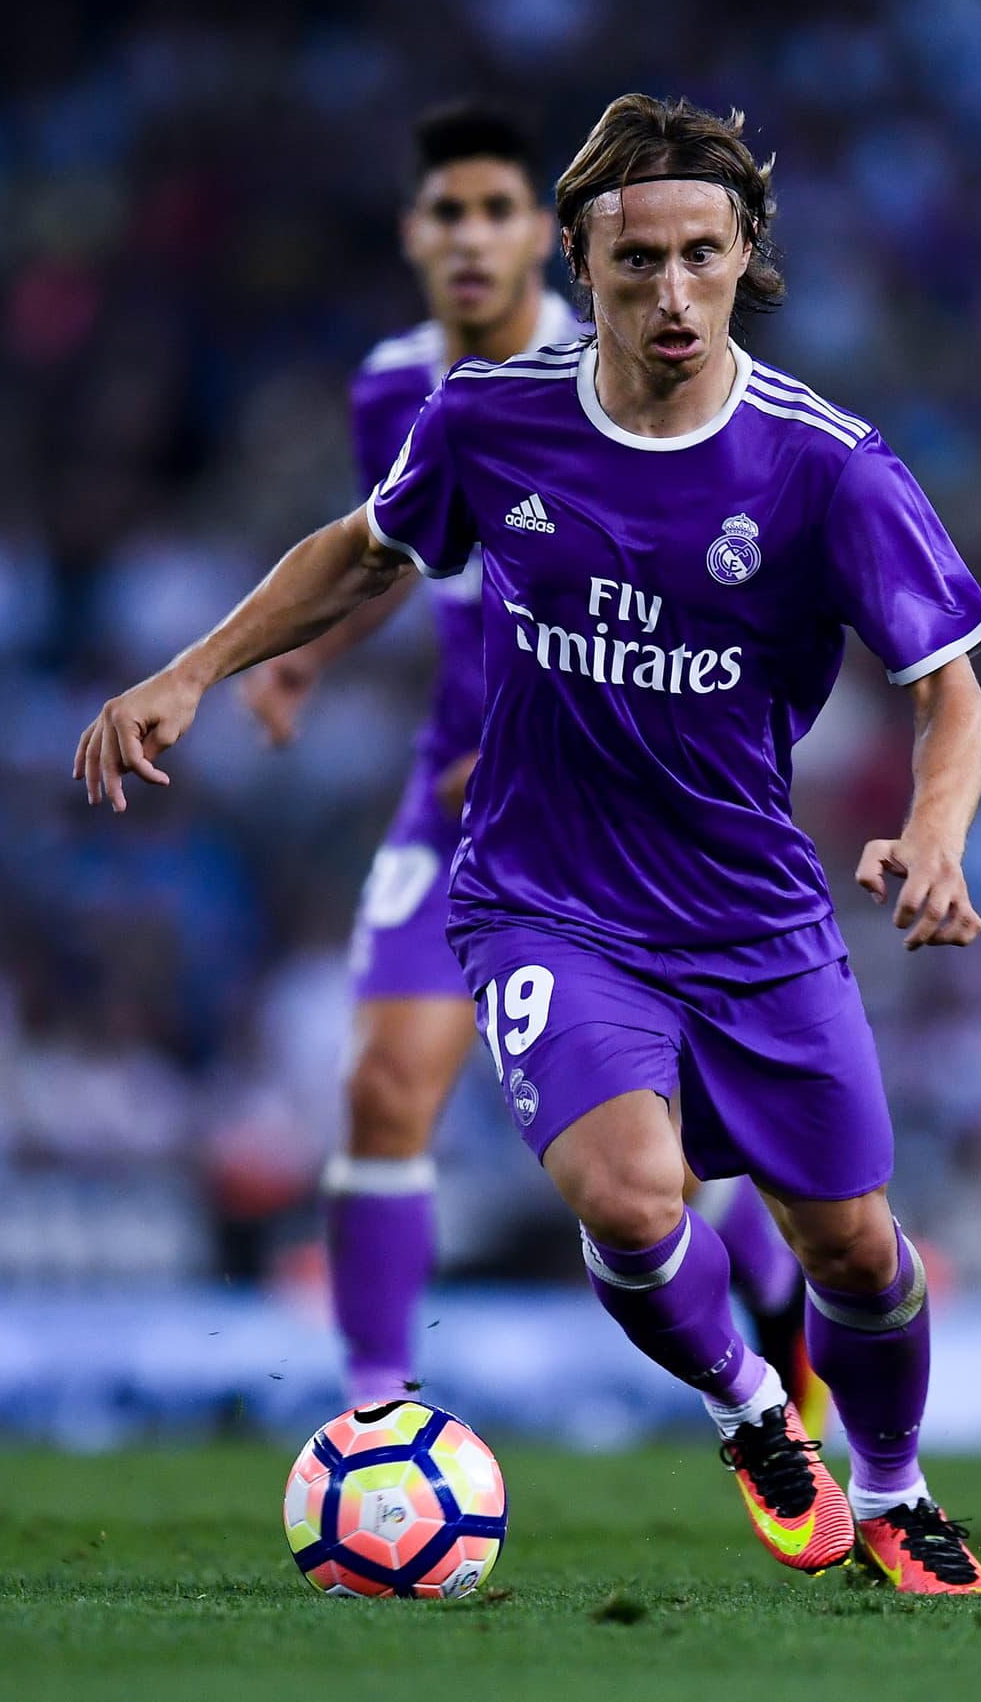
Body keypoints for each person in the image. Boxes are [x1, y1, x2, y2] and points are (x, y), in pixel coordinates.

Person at [75, 92, 981, 1594]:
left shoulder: (828, 467)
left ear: (747, 252)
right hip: (544, 900)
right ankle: (755, 1414)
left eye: (704, 255)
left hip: (755, 917)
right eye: (639, 264)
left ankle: (893, 1484)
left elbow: (950, 691)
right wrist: (196, 669)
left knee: (854, 1254)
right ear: (585, 264)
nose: (674, 292)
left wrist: (935, 833)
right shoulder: (495, 416)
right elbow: (359, 550)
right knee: (632, 1199)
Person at [236, 101, 815, 1424]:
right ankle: (377, 1418)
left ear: (545, 241)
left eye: (499, 210)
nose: (472, 239)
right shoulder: (396, 385)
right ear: (415, 233)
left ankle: (775, 1293)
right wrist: (307, 656)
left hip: (608, 811)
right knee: (383, 1086)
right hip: (457, 797)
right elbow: (407, 537)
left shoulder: (622, 374)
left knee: (678, 1158)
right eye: (449, 212)